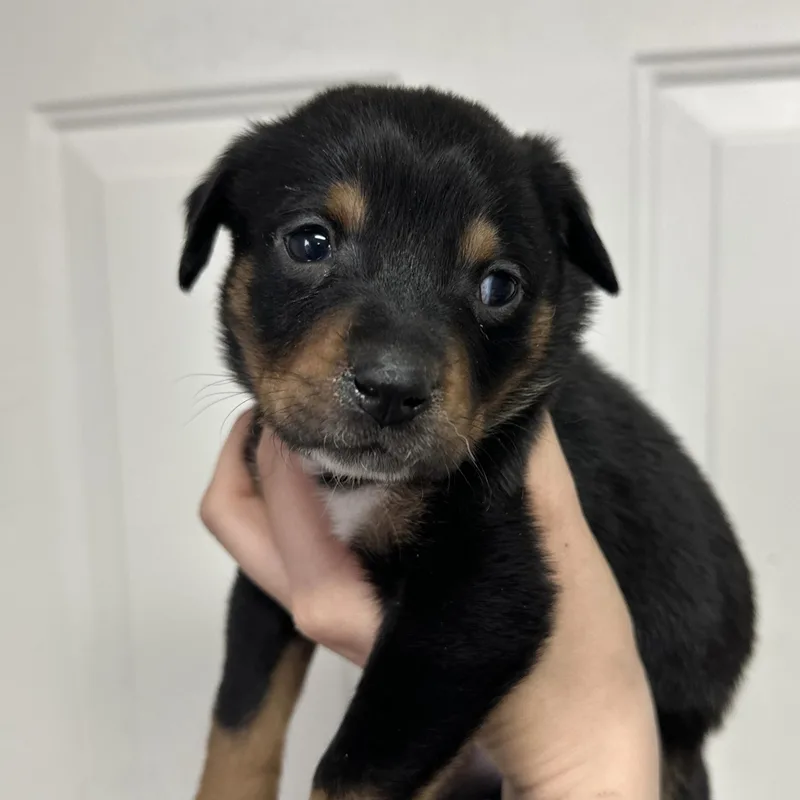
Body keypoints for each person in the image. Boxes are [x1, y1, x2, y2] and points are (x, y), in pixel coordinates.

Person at [200, 409, 662, 800]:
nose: (389, 371)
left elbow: (480, 614)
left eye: (495, 293)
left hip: (664, 694)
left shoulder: (486, 449)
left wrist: (576, 760)